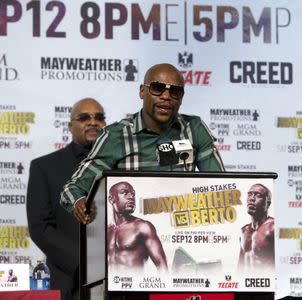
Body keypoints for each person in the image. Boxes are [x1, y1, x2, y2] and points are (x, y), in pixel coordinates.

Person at [60, 63, 225, 224]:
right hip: (135, 233)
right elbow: (72, 188)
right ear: (142, 91)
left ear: (181, 98)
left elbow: (221, 186)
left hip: (183, 228)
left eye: (175, 91)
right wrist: (79, 202)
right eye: (157, 88)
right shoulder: (116, 136)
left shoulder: (194, 129)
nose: (166, 96)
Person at [27, 98, 106, 300]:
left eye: (99, 117)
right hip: (69, 279)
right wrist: (82, 262)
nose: (93, 122)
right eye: (84, 117)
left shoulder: (120, 167)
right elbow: (40, 226)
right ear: (70, 126)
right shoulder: (44, 167)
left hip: (117, 278)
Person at [106, 181, 168, 272]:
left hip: (135, 283)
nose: (131, 197)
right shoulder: (106, 231)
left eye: (133, 194)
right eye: (124, 193)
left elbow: (162, 265)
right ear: (111, 199)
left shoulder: (142, 227)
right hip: (109, 285)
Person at [238, 183, 275, 271]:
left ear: (268, 203)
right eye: (249, 194)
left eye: (258, 195)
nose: (251, 198)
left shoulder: (273, 227)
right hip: (247, 283)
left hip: (268, 282)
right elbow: (240, 266)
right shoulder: (244, 231)